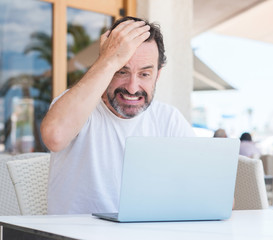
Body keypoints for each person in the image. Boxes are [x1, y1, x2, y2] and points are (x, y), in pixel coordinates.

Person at [40, 16, 195, 214]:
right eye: (121, 71)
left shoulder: (168, 119)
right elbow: (54, 136)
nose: (132, 88)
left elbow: (213, 196)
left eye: (145, 74)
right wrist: (109, 59)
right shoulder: (78, 106)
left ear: (158, 74)